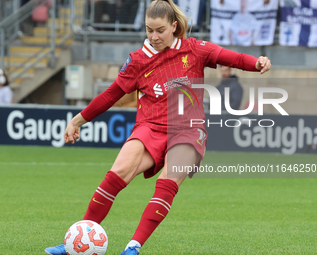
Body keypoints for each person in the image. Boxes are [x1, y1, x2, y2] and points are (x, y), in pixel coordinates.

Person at [44, 0, 271, 254]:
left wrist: (256, 62)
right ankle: (75, 242)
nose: (153, 36)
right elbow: (110, 95)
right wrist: (78, 120)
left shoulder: (195, 49)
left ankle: (133, 247)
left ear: (174, 26)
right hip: (150, 127)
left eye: (160, 30)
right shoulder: (138, 61)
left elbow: (234, 58)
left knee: (165, 186)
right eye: (149, 30)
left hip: (188, 131)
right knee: (114, 176)